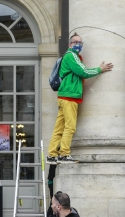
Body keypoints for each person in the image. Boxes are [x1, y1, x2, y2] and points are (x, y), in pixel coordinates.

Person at [45, 33, 113, 165]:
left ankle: (52, 155)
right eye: (75, 42)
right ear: (70, 44)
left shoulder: (71, 56)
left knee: (59, 128)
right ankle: (64, 154)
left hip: (65, 96)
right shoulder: (71, 55)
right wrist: (100, 69)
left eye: (80, 43)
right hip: (69, 96)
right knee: (70, 127)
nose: (78, 45)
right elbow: (84, 72)